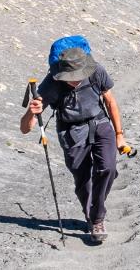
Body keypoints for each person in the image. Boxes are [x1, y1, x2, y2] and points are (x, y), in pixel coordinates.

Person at [22, 47, 125, 244]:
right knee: (82, 177)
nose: (76, 80)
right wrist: (31, 111)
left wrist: (120, 135)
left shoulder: (97, 71)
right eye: (71, 76)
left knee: (108, 168)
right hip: (71, 131)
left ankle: (97, 219)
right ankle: (91, 214)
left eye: (79, 75)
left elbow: (110, 101)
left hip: (100, 122)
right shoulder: (50, 85)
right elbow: (25, 129)